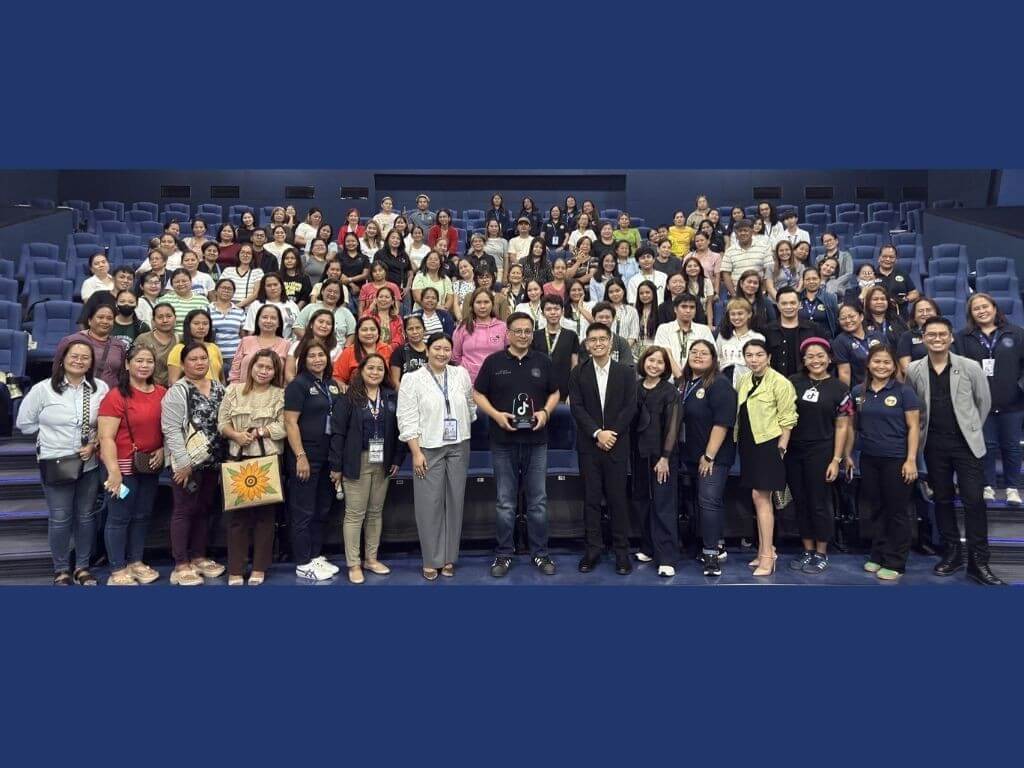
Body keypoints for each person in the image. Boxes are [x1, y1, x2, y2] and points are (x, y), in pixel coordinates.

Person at [907, 317, 1003, 585]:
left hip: (966, 445)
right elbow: (915, 409)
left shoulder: (970, 367)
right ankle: (952, 554)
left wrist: (970, 428)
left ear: (951, 338)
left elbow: (983, 403)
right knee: (942, 500)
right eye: (931, 335)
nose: (937, 339)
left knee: (974, 501)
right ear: (924, 338)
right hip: (934, 445)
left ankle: (979, 562)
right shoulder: (914, 369)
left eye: (942, 335)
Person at [472, 313, 561, 578]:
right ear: (507, 333)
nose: (523, 335)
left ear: (532, 334)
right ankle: (503, 554)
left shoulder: (543, 362)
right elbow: (477, 393)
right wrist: (496, 415)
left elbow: (555, 392)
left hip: (536, 443)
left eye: (527, 331)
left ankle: (540, 553)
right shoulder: (493, 362)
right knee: (505, 503)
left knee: (538, 502)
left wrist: (545, 413)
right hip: (503, 443)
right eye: (518, 331)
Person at [16, 342, 107, 586]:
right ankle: (61, 569)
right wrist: (51, 436)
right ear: (62, 359)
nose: (79, 361)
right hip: (55, 462)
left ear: (91, 362)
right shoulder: (43, 390)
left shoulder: (100, 389)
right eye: (74, 356)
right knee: (60, 517)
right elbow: (25, 423)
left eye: (85, 357)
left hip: (88, 461)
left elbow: (107, 424)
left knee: (86, 516)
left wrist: (95, 443)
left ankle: (82, 567)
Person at [397, 333, 476, 581]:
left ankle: (449, 557)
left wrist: (460, 422)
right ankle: (431, 559)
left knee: (455, 502)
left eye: (446, 349)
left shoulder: (460, 374)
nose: (442, 353)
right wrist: (416, 451)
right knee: (428, 505)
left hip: (459, 444)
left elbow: (470, 405)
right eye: (437, 348)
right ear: (427, 351)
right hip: (427, 447)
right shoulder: (412, 379)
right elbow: (406, 418)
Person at [326, 353, 404, 584]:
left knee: (375, 512)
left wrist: (398, 459)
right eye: (370, 368)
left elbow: (401, 430)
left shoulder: (391, 396)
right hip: (356, 461)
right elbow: (338, 434)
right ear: (361, 370)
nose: (375, 372)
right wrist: (336, 466)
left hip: (383, 462)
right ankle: (353, 563)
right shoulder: (349, 397)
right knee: (354, 514)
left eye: (380, 369)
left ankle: (371, 559)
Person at [569, 323, 638, 575]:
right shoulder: (578, 373)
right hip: (589, 446)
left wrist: (611, 434)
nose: (597, 343)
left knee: (618, 500)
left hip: (617, 446)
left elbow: (630, 407)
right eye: (592, 340)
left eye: (602, 339)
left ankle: (622, 552)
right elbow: (577, 407)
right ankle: (593, 550)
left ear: (610, 342)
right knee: (591, 501)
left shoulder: (625, 372)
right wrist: (598, 433)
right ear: (587, 344)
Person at [851, 345, 922, 582]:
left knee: (897, 511)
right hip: (870, 459)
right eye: (877, 362)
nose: (881, 366)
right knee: (876, 508)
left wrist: (911, 460)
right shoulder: (858, 392)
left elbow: (914, 428)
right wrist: (849, 454)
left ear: (893, 367)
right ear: (869, 364)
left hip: (897, 459)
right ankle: (878, 554)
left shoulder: (904, 392)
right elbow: (852, 426)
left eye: (886, 362)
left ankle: (896, 561)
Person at [217, 348, 286, 586]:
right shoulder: (233, 390)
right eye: (260, 366)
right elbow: (222, 422)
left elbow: (283, 426)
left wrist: (261, 431)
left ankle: (259, 567)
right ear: (251, 367)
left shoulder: (280, 394)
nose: (264, 371)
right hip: (238, 460)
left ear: (275, 371)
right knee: (237, 518)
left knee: (265, 518)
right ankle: (235, 567)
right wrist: (235, 435)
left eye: (269, 368)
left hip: (267, 461)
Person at [97, 345, 165, 586]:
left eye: (149, 361)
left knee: (142, 516)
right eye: (139, 361)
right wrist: (113, 471)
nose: (144, 365)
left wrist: (163, 448)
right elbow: (105, 437)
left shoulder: (161, 392)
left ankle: (135, 561)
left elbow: (166, 429)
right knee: (119, 518)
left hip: (149, 465)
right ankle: (117, 568)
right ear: (127, 364)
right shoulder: (116, 396)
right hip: (121, 467)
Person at [160, 341, 226, 586]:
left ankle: (198, 556)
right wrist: (183, 462)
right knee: (184, 510)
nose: (199, 363)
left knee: (204, 508)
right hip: (186, 462)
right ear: (184, 363)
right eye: (193, 359)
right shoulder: (178, 390)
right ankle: (181, 563)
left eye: (203, 358)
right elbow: (171, 429)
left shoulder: (219, 386)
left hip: (213, 461)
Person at [786, 338, 853, 574]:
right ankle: (807, 549)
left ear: (829, 358)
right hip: (794, 451)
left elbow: (843, 426)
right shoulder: (793, 382)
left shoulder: (839, 388)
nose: (815, 360)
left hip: (823, 450)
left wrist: (837, 459)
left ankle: (822, 552)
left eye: (820, 355)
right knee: (801, 501)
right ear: (803, 360)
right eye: (810, 356)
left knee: (819, 502)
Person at [735, 339, 798, 577]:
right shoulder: (744, 380)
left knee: (762, 498)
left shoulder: (780, 382)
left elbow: (788, 418)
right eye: (749, 355)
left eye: (759, 355)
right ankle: (765, 548)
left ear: (769, 357)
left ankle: (767, 558)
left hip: (769, 445)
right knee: (758, 497)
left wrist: (781, 448)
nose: (754, 359)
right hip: (749, 445)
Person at [283, 339, 344, 582]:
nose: (318, 359)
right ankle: (302, 561)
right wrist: (300, 456)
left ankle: (315, 555)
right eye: (312, 356)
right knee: (303, 510)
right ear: (303, 361)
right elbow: (290, 423)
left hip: (327, 456)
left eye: (321, 355)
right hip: (305, 456)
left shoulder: (331, 385)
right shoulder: (298, 385)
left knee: (322, 508)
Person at [956, 293, 1024, 505]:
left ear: (994, 309)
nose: (981, 311)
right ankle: (988, 486)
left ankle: (1013, 488)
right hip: (979, 405)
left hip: (1012, 402)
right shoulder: (963, 337)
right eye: (976, 309)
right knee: (986, 446)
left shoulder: (1016, 333)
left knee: (1012, 446)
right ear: (971, 314)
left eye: (985, 306)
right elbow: (957, 369)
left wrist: (1019, 387)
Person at [678, 341, 736, 576]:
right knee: (700, 502)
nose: (698, 356)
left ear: (713, 358)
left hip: (713, 456)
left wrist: (709, 455)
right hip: (691, 454)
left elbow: (722, 422)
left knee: (709, 501)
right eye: (694, 352)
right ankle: (711, 543)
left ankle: (711, 554)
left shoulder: (719, 384)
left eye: (704, 353)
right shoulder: (685, 383)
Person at [629, 346, 682, 577]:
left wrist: (665, 457)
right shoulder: (635, 388)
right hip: (638, 455)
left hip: (663, 457)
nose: (654, 365)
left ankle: (667, 556)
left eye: (660, 362)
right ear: (644, 362)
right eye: (651, 360)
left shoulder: (670, 391)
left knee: (663, 505)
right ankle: (648, 547)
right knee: (641, 501)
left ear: (665, 367)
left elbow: (673, 426)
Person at [53, 303, 125, 389]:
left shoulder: (119, 345)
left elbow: (121, 375)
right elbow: (56, 370)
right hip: (77, 395)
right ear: (90, 321)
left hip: (109, 397)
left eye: (109, 318)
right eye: (100, 317)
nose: (105, 321)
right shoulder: (71, 341)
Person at [762, 286, 827, 377]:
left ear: (799, 304)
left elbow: (826, 356)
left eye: (792, 303)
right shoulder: (767, 331)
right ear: (777, 305)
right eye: (784, 303)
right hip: (777, 383)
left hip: (807, 383)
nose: (788, 307)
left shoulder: (814, 329)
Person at [653, 293, 715, 380]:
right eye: (684, 307)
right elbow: (666, 354)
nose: (688, 310)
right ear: (675, 309)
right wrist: (681, 379)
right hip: (669, 380)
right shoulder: (664, 329)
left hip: (697, 381)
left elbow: (711, 356)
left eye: (692, 307)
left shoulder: (704, 330)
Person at [451, 288, 506, 384]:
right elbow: (455, 356)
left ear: (492, 304)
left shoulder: (502, 327)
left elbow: (509, 353)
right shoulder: (463, 327)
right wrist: (466, 371)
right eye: (478, 302)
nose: (482, 306)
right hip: (467, 381)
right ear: (472, 305)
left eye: (486, 302)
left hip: (496, 380)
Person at [531, 295, 579, 400]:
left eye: (556, 309)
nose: (553, 312)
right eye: (548, 309)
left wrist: (573, 391)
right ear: (542, 313)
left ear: (562, 311)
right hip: (540, 388)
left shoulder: (571, 335)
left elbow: (574, 366)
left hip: (565, 388)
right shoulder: (534, 336)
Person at [230, 304, 291, 384]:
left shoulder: (286, 345)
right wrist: (235, 390)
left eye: (273, 318)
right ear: (257, 320)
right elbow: (235, 371)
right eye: (264, 317)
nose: (268, 321)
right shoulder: (245, 341)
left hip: (275, 394)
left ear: (279, 323)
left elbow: (288, 375)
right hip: (244, 392)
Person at [715, 297, 765, 387]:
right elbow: (716, 360)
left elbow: (762, 365)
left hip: (748, 382)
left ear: (749, 314)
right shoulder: (722, 336)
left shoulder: (758, 337)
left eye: (740, 313)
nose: (736, 317)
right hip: (724, 382)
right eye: (733, 314)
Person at [166, 309, 224, 385]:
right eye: (196, 323)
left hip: (216, 393)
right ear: (188, 325)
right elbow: (173, 381)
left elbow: (221, 378)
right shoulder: (179, 349)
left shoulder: (214, 347)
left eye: (205, 324)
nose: (201, 327)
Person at [333, 316, 393, 386]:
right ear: (357, 333)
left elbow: (393, 376)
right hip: (356, 393)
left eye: (373, 329)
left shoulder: (387, 349)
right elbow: (337, 377)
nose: (369, 333)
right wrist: (343, 386)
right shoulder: (349, 352)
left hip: (384, 393)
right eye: (364, 330)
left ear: (378, 332)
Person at [833, 303, 883, 387]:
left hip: (886, 385)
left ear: (861, 317)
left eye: (852, 316)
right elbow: (844, 373)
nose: (848, 321)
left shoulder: (877, 335)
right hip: (861, 389)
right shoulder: (840, 341)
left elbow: (891, 361)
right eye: (843, 318)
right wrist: (846, 397)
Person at [285, 308, 340, 383]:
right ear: (311, 324)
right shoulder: (297, 345)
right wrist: (299, 387)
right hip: (299, 388)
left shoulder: (336, 348)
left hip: (324, 389)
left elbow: (336, 376)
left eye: (328, 323)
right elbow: (289, 373)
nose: (324, 326)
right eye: (321, 322)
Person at [721, 219, 772, 297]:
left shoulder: (764, 247)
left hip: (759, 293)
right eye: (739, 231)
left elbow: (768, 270)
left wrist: (763, 291)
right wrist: (734, 294)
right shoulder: (729, 251)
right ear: (736, 234)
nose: (743, 233)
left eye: (745, 230)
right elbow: (726, 274)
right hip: (737, 294)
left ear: (752, 232)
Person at [578, 302, 636, 369]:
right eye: (600, 317)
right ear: (594, 318)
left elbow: (628, 368)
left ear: (613, 318)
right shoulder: (586, 343)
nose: (604, 320)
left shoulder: (622, 342)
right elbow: (583, 369)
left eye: (607, 317)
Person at [133, 302, 178, 387]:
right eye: (160, 317)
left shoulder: (180, 340)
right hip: (147, 388)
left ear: (175, 318)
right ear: (153, 320)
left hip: (173, 391)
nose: (165, 320)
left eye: (169, 316)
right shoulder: (143, 339)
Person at [242, 274, 300, 339]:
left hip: (289, 345)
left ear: (281, 286)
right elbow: (251, 331)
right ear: (263, 288)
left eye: (275, 285)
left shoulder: (292, 305)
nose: (273, 288)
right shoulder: (256, 305)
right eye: (269, 285)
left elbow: (298, 329)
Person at [207, 278, 246, 371]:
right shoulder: (207, 310)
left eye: (229, 289)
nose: (226, 290)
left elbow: (243, 336)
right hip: (213, 356)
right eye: (223, 288)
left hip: (235, 357)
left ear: (233, 293)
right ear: (216, 291)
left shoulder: (239, 312)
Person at [897, 297, 940, 376]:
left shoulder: (949, 334)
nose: (925, 313)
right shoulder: (907, 336)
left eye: (928, 310)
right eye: (920, 311)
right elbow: (905, 368)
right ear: (914, 316)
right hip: (919, 381)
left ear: (936, 313)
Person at [875, 244, 920, 314]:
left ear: (896, 260)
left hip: (901, 315)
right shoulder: (872, 275)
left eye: (891, 257)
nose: (888, 259)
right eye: (884, 256)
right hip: (878, 315)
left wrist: (905, 299)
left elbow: (914, 293)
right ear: (879, 258)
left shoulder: (903, 273)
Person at [797, 267, 838, 337]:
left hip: (825, 339)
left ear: (820, 280)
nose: (811, 281)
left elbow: (835, 322)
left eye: (814, 278)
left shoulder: (831, 298)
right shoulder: (797, 298)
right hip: (802, 339)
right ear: (803, 281)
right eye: (807, 279)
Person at [221, 244, 265, 309]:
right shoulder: (228, 270)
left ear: (252, 256)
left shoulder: (258, 272)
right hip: (227, 305)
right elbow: (220, 289)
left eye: (248, 253)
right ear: (238, 255)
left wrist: (237, 306)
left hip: (248, 308)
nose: (245, 255)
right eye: (242, 252)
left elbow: (256, 293)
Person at [603, 278, 640, 353]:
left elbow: (633, 335)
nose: (615, 294)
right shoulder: (603, 310)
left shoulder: (632, 311)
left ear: (624, 291)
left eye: (617, 291)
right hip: (606, 352)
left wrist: (623, 350)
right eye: (611, 292)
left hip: (627, 352)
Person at [391, 314, 428, 383]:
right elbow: (395, 381)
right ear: (405, 333)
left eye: (418, 328)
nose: (415, 332)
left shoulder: (432, 350)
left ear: (424, 330)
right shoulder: (399, 352)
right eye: (410, 329)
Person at [681, 255, 715, 326]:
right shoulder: (682, 283)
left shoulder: (707, 281)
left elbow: (709, 305)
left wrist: (710, 324)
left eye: (695, 266)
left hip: (703, 317)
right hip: (686, 317)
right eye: (689, 266)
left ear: (700, 268)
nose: (692, 268)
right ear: (685, 269)